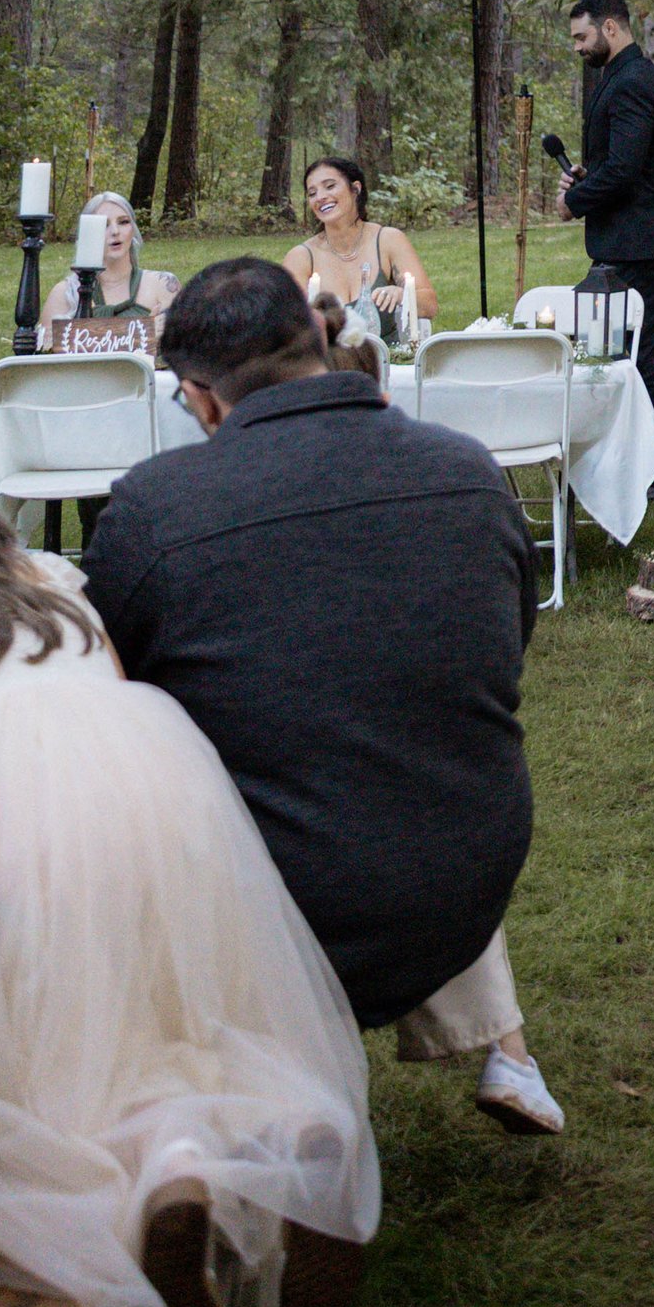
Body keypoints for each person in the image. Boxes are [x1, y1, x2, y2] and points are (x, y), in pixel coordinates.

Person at [0, 433, 376, 1307]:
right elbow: (115, 681)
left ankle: (160, 1185)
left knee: (36, 1067)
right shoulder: (51, 588)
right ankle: (264, 1139)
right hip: (155, 790)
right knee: (169, 1034)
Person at [82, 260, 566, 1141]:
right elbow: (503, 656)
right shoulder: (468, 473)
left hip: (286, 904)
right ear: (318, 343)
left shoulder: (157, 509)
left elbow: (111, 714)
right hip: (465, 871)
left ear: (202, 399)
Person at [558, 0, 654, 430]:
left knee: (638, 351)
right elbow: (622, 160)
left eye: (581, 36)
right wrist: (587, 176)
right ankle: (635, 455)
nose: (577, 47)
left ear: (610, 27)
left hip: (638, 239)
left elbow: (628, 170)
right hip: (627, 235)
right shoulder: (620, 74)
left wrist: (574, 201)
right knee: (624, 348)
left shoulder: (633, 80)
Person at [285, 153, 439, 337]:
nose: (320, 197)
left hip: (386, 361)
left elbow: (430, 305)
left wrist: (401, 295)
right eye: (312, 193)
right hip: (329, 363)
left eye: (330, 186)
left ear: (355, 189)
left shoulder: (388, 240)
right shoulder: (301, 257)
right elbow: (286, 325)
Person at [40, 191, 178, 348]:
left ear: (133, 229)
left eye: (123, 222)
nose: (115, 232)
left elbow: (184, 353)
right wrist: (142, 334)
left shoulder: (163, 285)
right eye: (103, 225)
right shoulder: (64, 293)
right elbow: (46, 361)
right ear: (88, 234)